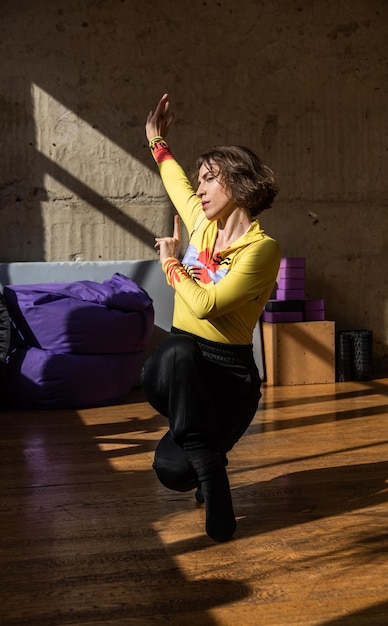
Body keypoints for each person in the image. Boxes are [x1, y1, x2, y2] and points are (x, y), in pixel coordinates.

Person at [141, 93, 281, 543]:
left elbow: (206, 305)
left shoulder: (262, 250)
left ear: (237, 185)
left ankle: (201, 470)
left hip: (229, 380)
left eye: (208, 180)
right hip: (177, 369)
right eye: (199, 181)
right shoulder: (201, 222)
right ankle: (216, 481)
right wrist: (156, 139)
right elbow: (173, 178)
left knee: (170, 469)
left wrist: (170, 262)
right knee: (179, 350)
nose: (197, 190)